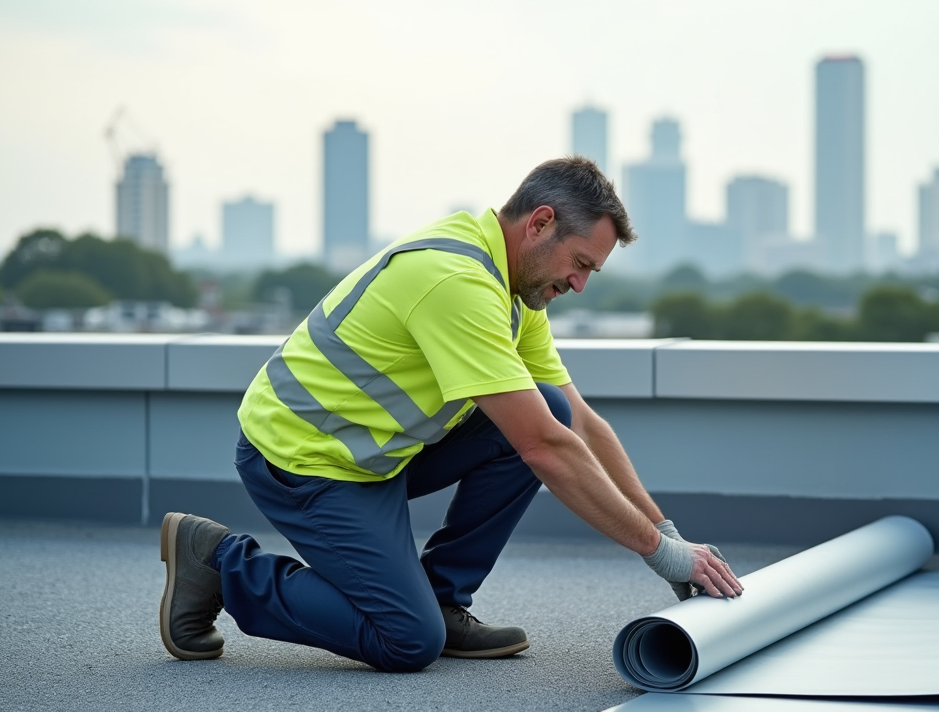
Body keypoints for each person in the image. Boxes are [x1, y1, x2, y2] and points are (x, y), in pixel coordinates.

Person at [158, 156, 743, 671]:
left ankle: (440, 597)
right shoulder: (456, 282)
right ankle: (218, 562)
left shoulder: (515, 287)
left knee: (555, 409)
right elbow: (545, 447)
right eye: (581, 263)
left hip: (374, 456)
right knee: (406, 641)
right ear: (540, 223)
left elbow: (580, 425)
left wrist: (669, 539)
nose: (581, 284)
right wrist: (658, 551)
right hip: (303, 461)